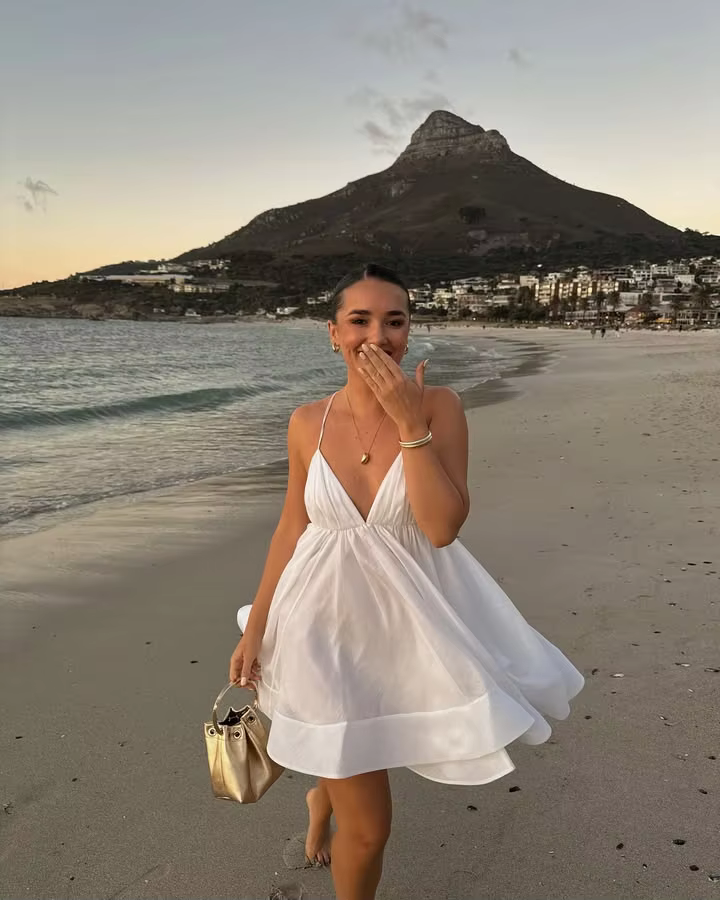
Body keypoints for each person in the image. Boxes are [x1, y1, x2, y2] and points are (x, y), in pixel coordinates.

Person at [229, 263, 584, 900]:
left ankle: (321, 794)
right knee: (368, 832)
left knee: (371, 740)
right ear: (332, 333)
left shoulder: (440, 407)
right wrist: (256, 627)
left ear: (409, 332)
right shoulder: (307, 421)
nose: (378, 335)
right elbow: (291, 527)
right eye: (359, 320)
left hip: (409, 623)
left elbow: (442, 527)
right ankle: (328, 799)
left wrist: (408, 423)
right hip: (318, 624)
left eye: (394, 321)